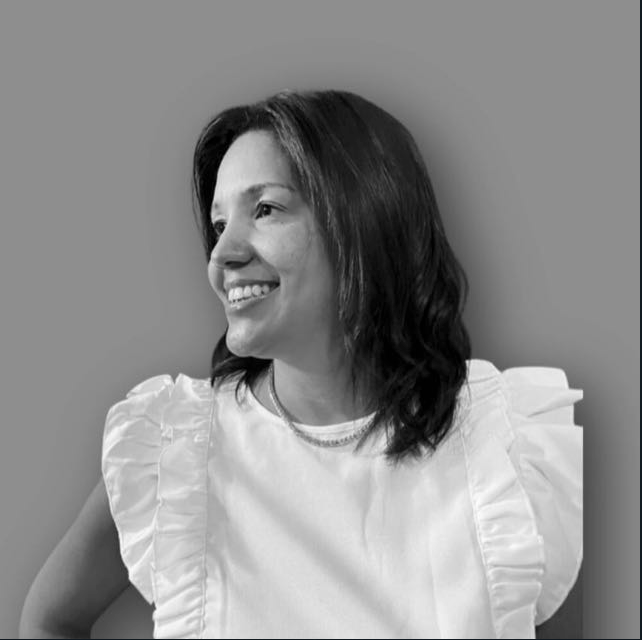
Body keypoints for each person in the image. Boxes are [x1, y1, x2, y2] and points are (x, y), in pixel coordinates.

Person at [19, 89, 583, 639]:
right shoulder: (177, 453)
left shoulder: (508, 448)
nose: (222, 255)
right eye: (218, 225)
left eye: (265, 210)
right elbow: (49, 620)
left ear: (366, 221)